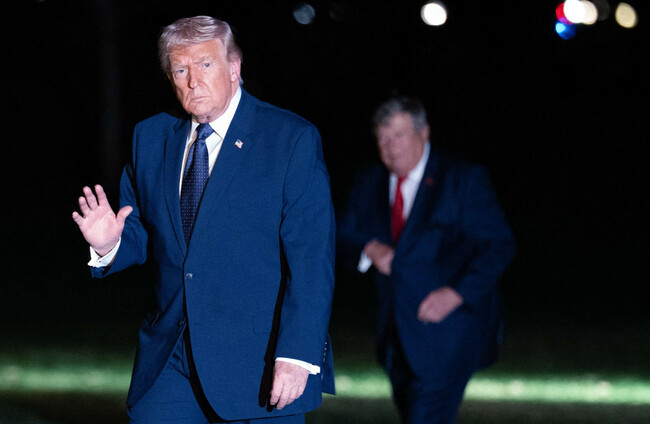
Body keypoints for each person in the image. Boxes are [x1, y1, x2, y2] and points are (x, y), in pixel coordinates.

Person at [72, 15, 335, 424]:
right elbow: (143, 230)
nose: (193, 81)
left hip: (257, 362)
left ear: (234, 68)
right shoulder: (151, 137)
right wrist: (109, 244)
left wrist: (297, 354)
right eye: (181, 70)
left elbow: (312, 260)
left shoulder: (290, 139)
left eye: (206, 64)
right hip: (170, 358)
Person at [337, 96, 516, 423]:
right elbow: (341, 234)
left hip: (448, 335)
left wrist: (456, 293)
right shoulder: (370, 180)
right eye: (382, 137)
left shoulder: (461, 179)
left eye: (398, 135)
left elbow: (499, 245)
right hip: (393, 336)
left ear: (424, 133)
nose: (390, 146)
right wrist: (370, 249)